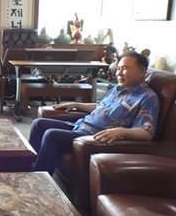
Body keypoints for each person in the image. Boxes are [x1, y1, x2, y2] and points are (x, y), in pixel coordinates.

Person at [29, 52, 160, 175]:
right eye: (119, 68)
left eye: (125, 68)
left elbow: (146, 133)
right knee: (39, 124)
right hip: (81, 126)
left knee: (52, 135)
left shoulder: (147, 97)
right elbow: (101, 107)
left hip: (94, 137)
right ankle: (27, 167)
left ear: (143, 72)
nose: (119, 73)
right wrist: (77, 105)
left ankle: (38, 179)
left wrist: (120, 132)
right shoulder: (118, 89)